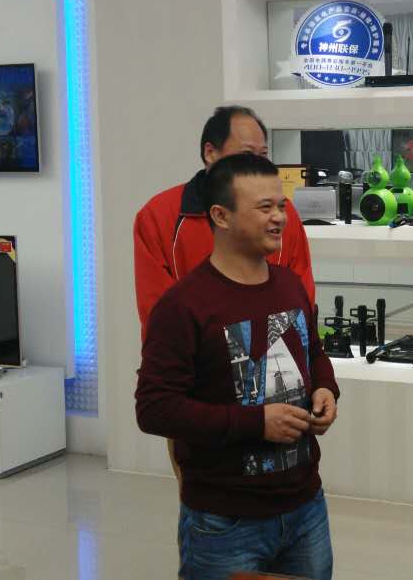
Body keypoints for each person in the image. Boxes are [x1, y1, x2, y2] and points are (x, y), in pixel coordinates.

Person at [137, 153, 339, 580]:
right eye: (264, 207)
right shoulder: (183, 306)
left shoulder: (289, 285)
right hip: (224, 522)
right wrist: (255, 423)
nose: (279, 218)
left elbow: (314, 353)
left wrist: (325, 387)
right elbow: (155, 409)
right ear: (221, 216)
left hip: (305, 507)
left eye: (281, 206)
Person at [134, 105, 316, 338]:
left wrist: (264, 350)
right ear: (210, 153)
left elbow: (301, 300)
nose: (256, 165)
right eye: (246, 155)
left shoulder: (283, 213)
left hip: (273, 354)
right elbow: (160, 317)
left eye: (262, 155)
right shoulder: (159, 215)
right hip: (197, 354)